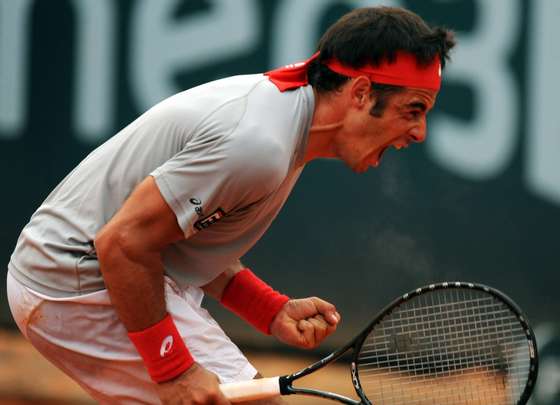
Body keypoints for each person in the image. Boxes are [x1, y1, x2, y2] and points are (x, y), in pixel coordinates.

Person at [6, 6, 455, 405]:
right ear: (360, 93)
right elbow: (123, 243)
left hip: (75, 272)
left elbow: (178, 234)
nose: (419, 133)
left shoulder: (286, 117)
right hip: (74, 282)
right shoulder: (258, 146)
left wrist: (268, 309)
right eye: (413, 109)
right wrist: (174, 371)